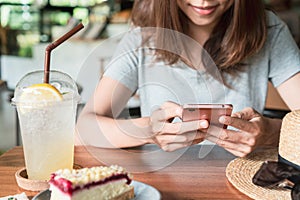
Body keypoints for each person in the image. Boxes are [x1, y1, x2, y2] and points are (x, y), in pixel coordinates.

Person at [76, 0, 300, 157]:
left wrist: (271, 133)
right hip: (161, 180)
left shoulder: (268, 29)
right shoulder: (144, 34)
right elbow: (83, 129)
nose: (203, 1)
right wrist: (148, 131)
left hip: (245, 180)